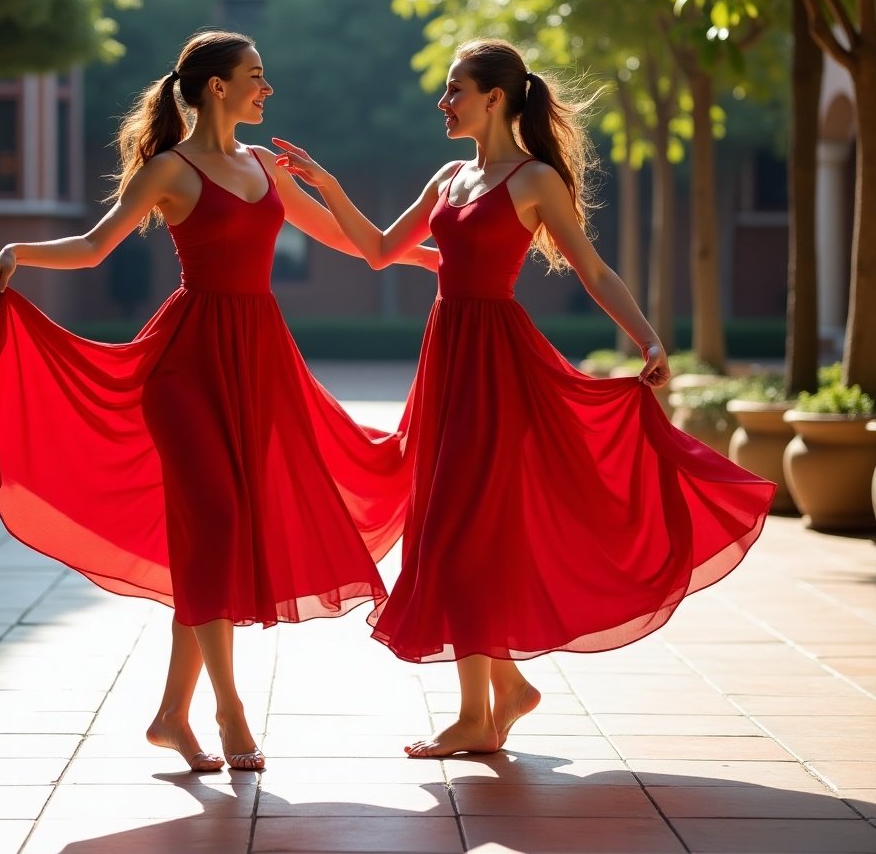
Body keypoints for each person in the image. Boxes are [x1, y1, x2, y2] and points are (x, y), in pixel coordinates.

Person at [0, 29, 434, 771]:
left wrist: (436, 255)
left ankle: (172, 715)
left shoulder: (266, 166)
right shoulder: (169, 169)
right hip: (187, 366)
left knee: (215, 542)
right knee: (219, 527)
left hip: (258, 363)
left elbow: (349, 241)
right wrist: (20, 252)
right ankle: (231, 714)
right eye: (256, 76)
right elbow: (97, 245)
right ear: (215, 87)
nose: (268, 89)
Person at [273, 37, 776, 759]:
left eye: (455, 91)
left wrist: (648, 338)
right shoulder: (448, 178)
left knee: (464, 524)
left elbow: (593, 270)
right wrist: (325, 185)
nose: (443, 103)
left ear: (496, 98)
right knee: (447, 523)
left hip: (499, 366)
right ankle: (500, 692)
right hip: (447, 358)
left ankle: (481, 710)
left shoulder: (536, 180)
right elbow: (380, 249)